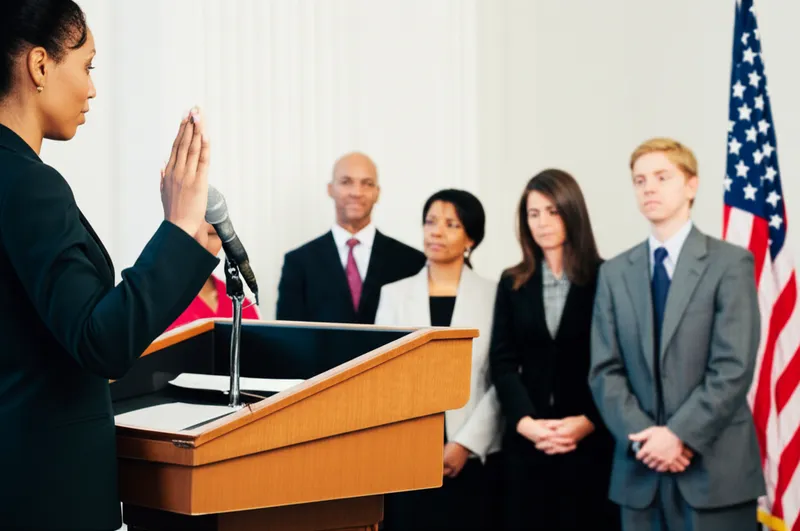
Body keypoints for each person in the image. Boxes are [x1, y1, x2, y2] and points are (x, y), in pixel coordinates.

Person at [0, 1, 218, 529]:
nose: (93, 89)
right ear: (40, 66)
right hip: (45, 498)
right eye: (87, 65)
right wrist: (178, 231)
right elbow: (101, 341)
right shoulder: (29, 186)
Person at [589, 138, 764, 531]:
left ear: (691, 185)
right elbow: (605, 371)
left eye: (662, 177)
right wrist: (645, 440)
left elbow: (733, 367)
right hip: (640, 473)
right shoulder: (614, 274)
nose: (648, 188)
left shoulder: (730, 263)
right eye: (639, 180)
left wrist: (678, 435)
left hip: (715, 474)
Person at [489, 169, 618, 530]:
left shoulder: (607, 277)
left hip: (589, 440)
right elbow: (502, 361)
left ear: (571, 212)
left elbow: (617, 361)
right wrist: (525, 422)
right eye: (533, 214)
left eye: (552, 211)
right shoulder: (513, 281)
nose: (542, 223)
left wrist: (588, 421)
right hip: (529, 440)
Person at [376, 189, 502, 531]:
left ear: (471, 238)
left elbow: (502, 377)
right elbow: (383, 376)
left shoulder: (495, 295)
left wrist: (464, 444)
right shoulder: (394, 295)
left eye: (451, 224)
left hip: (474, 456)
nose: (437, 232)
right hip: (408, 454)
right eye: (431, 222)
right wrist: (415, 442)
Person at [276, 152, 426, 324]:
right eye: (346, 182)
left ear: (377, 192)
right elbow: (288, 333)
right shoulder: (298, 262)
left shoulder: (411, 261)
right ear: (330, 189)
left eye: (367, 183)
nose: (356, 192)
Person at [166, 222, 260, 331]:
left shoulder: (242, 306)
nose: (203, 241)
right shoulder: (158, 300)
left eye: (212, 234)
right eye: (193, 232)